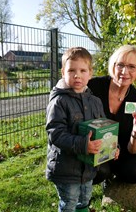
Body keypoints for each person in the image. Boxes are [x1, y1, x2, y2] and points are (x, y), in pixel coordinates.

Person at [46, 47, 107, 212]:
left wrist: (114, 147)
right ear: (63, 72)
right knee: (69, 202)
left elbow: (104, 127)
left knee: (85, 199)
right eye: (71, 70)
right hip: (66, 167)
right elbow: (56, 133)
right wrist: (82, 145)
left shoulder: (95, 101)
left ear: (90, 73)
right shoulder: (59, 102)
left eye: (82, 70)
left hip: (88, 167)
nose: (77, 75)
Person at [88, 44, 136, 185]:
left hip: (122, 152)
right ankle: (105, 175)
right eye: (120, 65)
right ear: (113, 66)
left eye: (132, 67)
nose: (124, 71)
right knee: (100, 171)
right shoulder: (93, 87)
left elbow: (133, 150)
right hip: (94, 148)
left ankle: (112, 178)